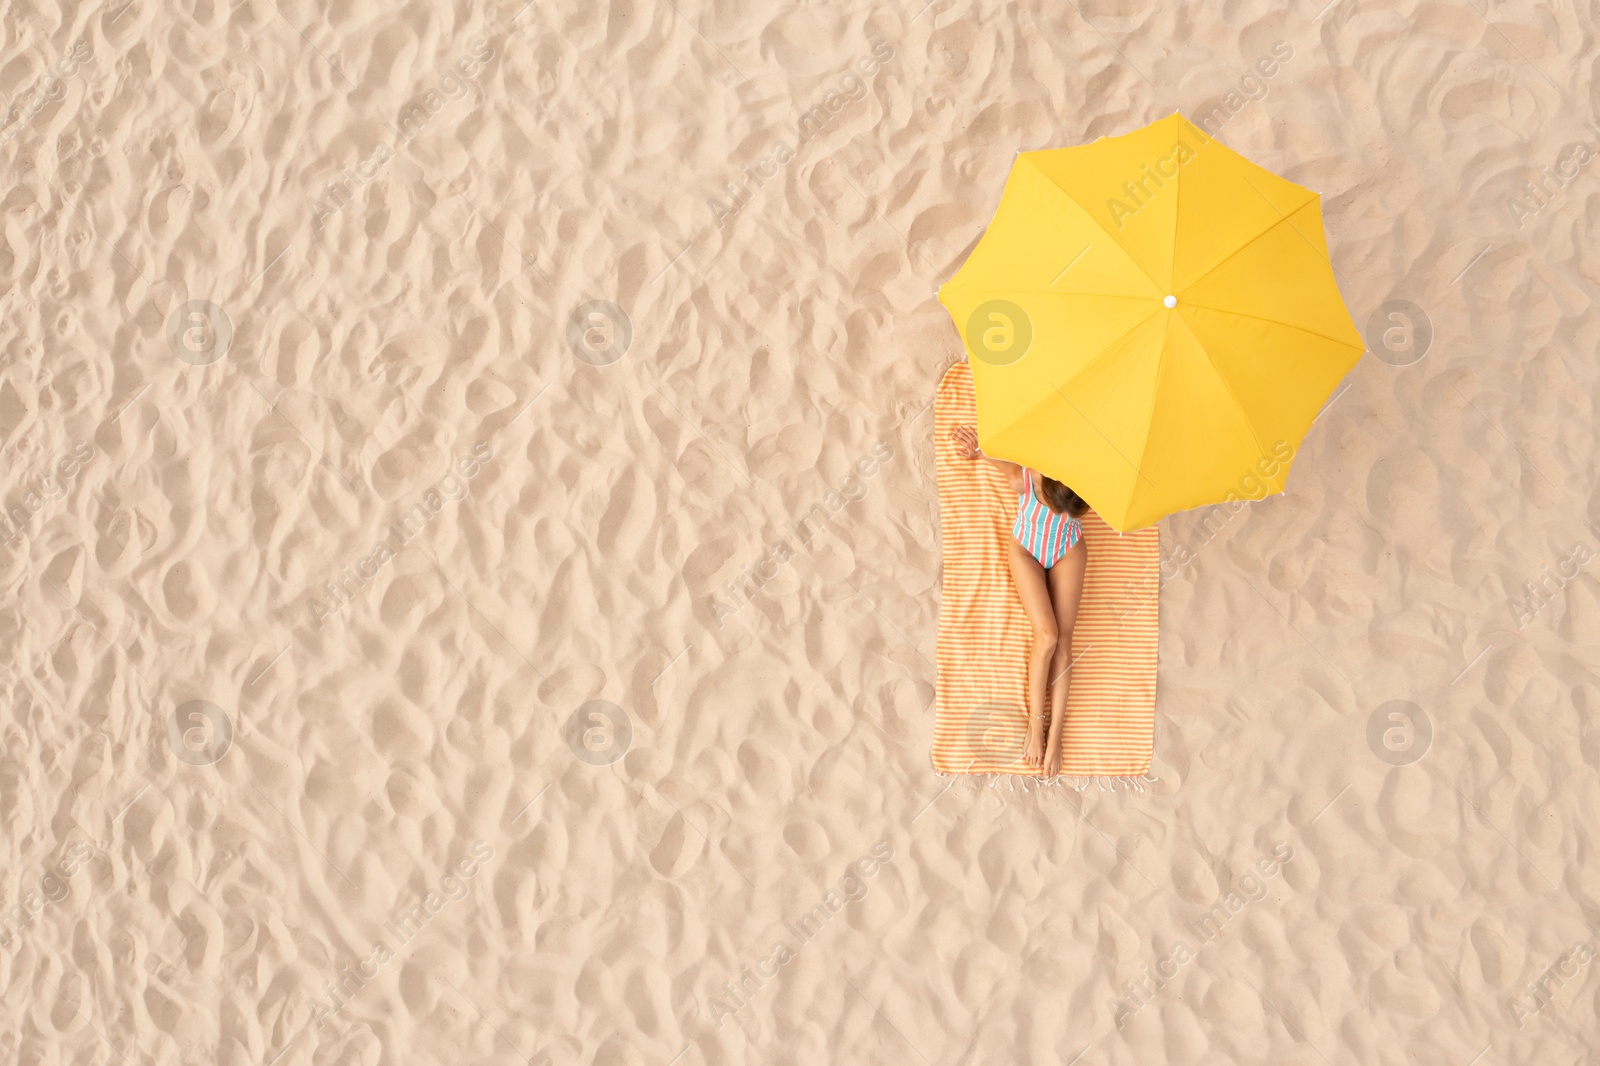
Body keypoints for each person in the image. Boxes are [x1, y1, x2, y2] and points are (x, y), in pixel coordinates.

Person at [951, 425, 1088, 777]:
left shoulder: (1087, 483)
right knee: (1048, 637)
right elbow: (990, 455)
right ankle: (1035, 723)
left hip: (1067, 551)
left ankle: (1055, 735)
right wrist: (976, 449)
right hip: (1026, 549)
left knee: (1064, 643)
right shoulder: (1025, 477)